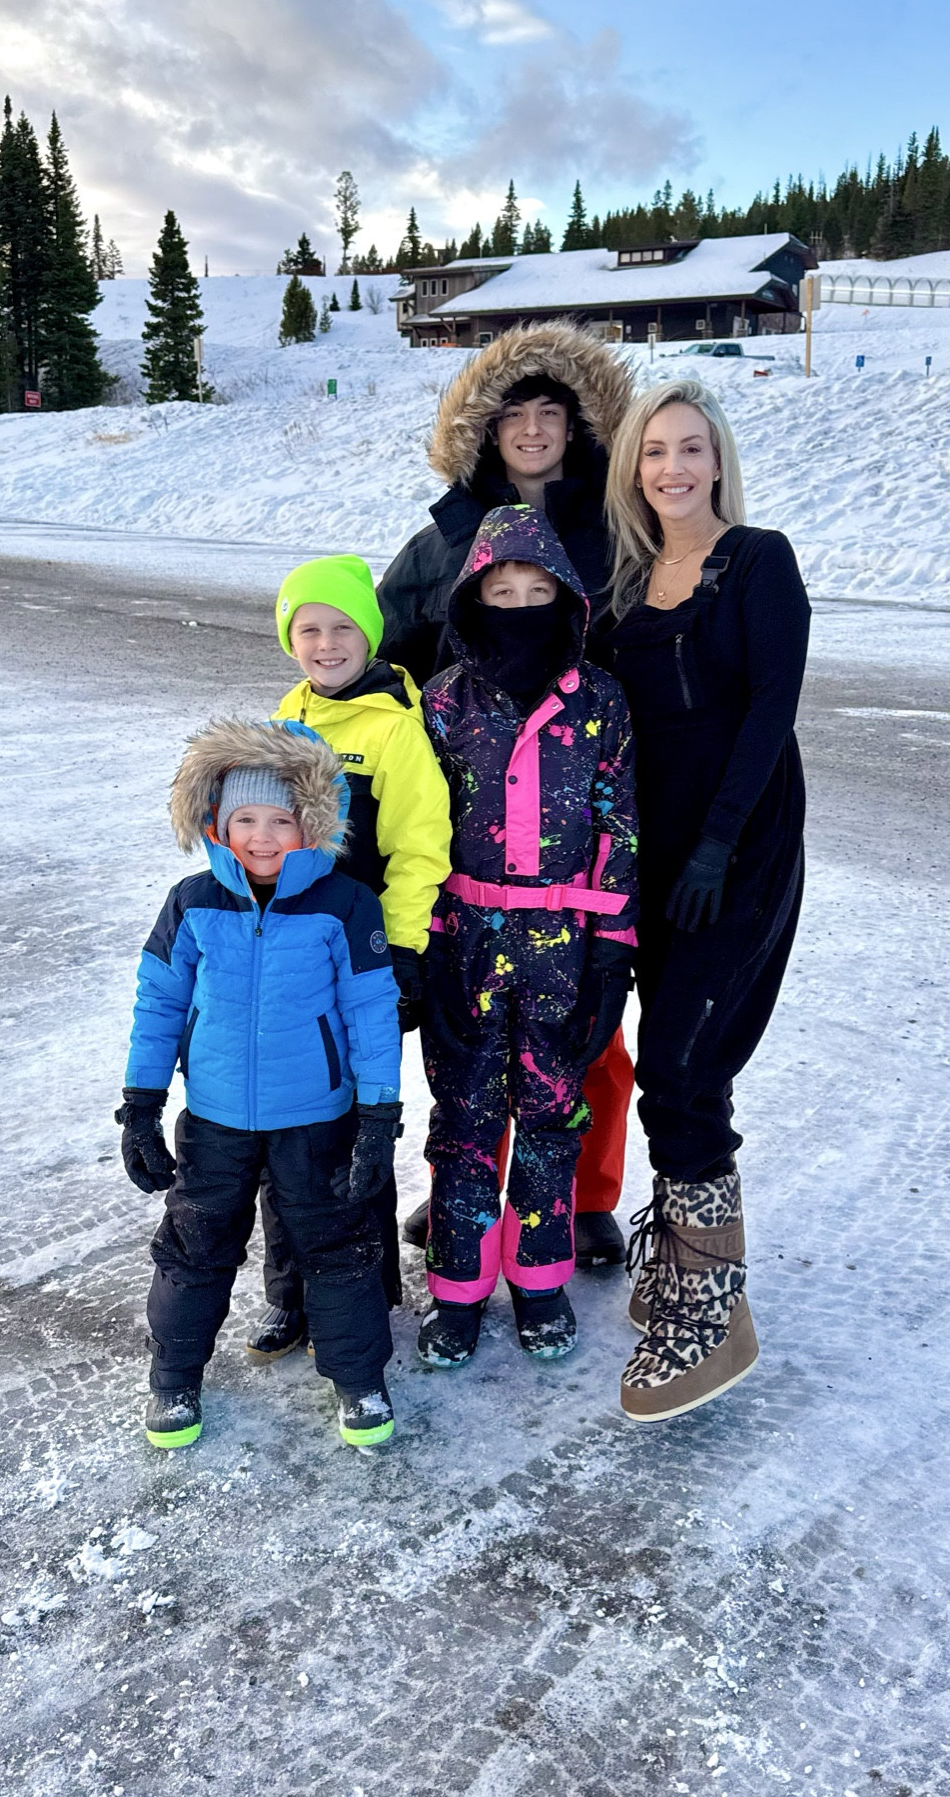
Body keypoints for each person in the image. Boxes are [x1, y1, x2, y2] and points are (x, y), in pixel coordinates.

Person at [377, 322, 637, 1266]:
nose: (532, 430)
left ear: (578, 427)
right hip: (472, 836)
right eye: (514, 414)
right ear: (484, 432)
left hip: (580, 830)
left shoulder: (619, 528)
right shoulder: (444, 538)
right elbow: (381, 658)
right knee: (471, 1039)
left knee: (586, 1037)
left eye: (551, 413)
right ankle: (468, 1192)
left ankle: (585, 1195)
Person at [602, 378, 809, 1424]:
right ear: (633, 469)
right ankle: (683, 1253)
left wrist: (721, 841)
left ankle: (716, 1303)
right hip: (650, 856)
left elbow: (774, 703)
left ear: (717, 458)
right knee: (660, 1060)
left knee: (689, 1057)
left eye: (690, 447)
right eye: (654, 452)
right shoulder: (629, 583)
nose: (673, 467)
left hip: (739, 846)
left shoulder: (757, 561)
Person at [114, 718, 404, 1451]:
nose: (263, 837)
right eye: (245, 819)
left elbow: (370, 1014)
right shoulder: (191, 903)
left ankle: (358, 1380)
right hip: (213, 1118)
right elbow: (159, 1005)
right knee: (194, 1244)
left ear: (312, 824)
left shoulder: (345, 904)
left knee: (337, 1246)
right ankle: (174, 1379)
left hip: (316, 1117)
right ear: (216, 821)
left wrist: (377, 1117)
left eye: (281, 820)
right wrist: (141, 1108)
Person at [414, 504, 637, 1370]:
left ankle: (539, 1281)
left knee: (550, 1115)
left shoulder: (601, 705)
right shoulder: (442, 704)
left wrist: (611, 956)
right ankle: (459, 1288)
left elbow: (619, 828)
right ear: (473, 599)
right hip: (466, 939)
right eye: (499, 592)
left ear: (566, 599)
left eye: (534, 591)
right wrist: (427, 947)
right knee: (464, 1117)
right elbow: (423, 830)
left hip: (564, 947)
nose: (517, 606)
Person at [247, 555, 452, 1364]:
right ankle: (289, 1293)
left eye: (342, 628)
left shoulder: (395, 730)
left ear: (369, 633)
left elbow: (419, 849)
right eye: (308, 630)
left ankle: (362, 1289)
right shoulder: (283, 720)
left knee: (355, 1126)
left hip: (360, 965)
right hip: (286, 962)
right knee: (280, 1123)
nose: (326, 643)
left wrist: (399, 952)